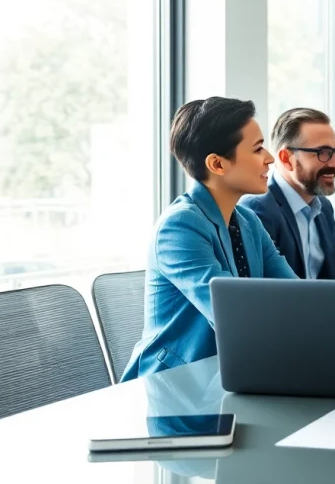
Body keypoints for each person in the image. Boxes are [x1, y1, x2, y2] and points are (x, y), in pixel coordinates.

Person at [122, 97, 299, 381]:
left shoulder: (248, 221)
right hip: (174, 385)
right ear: (217, 164)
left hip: (231, 375)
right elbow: (232, 316)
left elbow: (297, 297)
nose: (269, 158)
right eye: (257, 149)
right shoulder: (179, 227)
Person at [240, 108, 335, 282]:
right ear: (286, 159)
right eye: (323, 153)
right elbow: (269, 287)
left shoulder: (323, 207)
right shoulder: (257, 209)